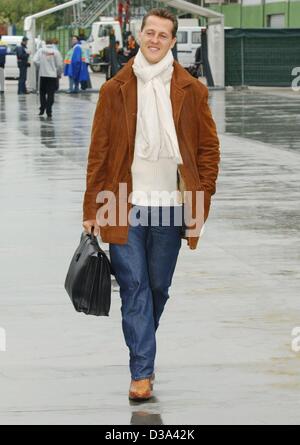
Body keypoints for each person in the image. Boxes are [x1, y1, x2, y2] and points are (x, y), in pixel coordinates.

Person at [82, 8, 220, 401]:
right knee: (134, 287)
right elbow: (99, 153)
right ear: (138, 36)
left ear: (173, 41)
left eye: (163, 34)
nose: (155, 39)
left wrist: (202, 192)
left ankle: (144, 349)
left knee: (157, 287)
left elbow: (209, 149)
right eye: (149, 33)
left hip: (172, 205)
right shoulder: (115, 89)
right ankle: (141, 372)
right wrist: (92, 209)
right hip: (119, 200)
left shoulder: (192, 90)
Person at [33, 38, 63, 118]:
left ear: (45, 43)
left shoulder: (40, 51)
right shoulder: (56, 52)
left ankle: (42, 109)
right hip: (52, 76)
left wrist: (40, 67)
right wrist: (58, 73)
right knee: (51, 94)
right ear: (52, 43)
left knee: (42, 93)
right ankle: (49, 111)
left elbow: (35, 60)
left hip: (43, 75)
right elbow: (60, 65)